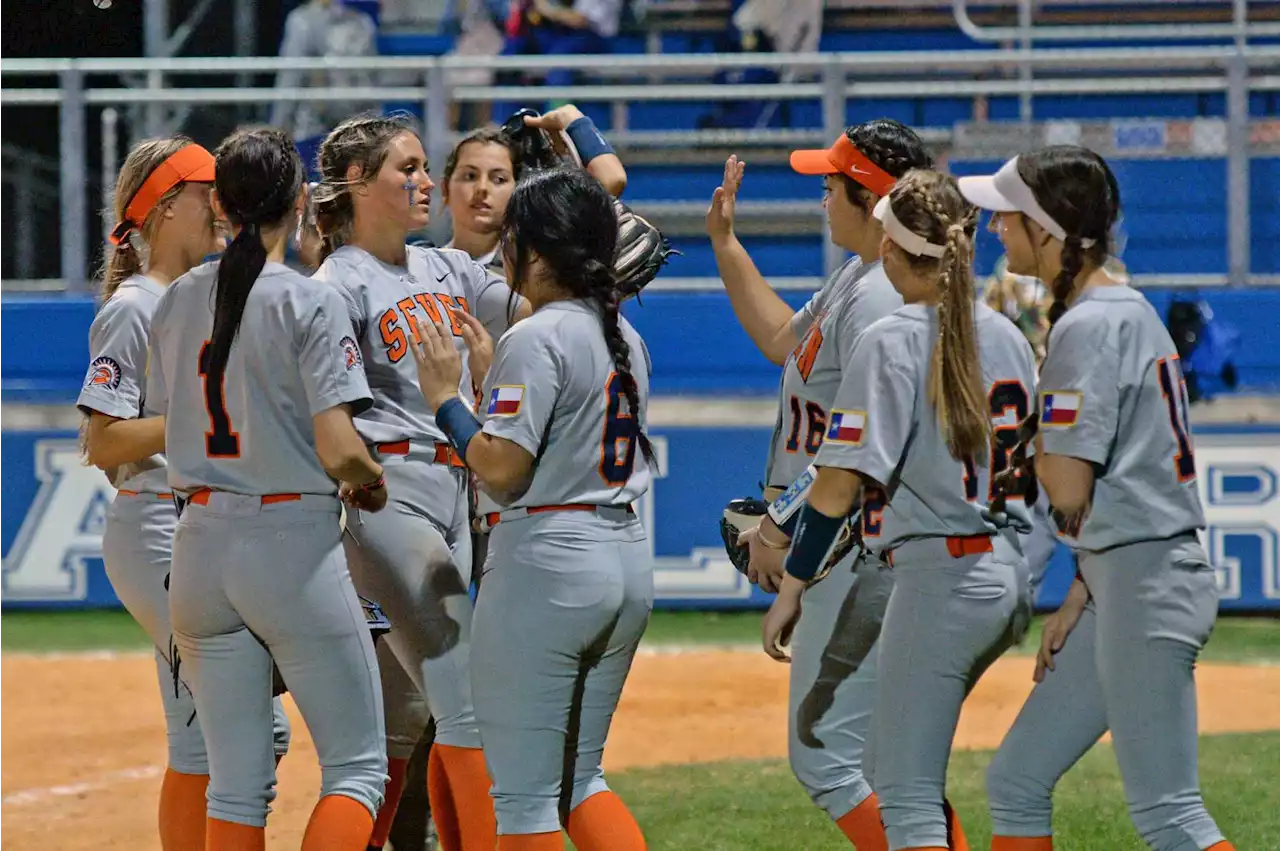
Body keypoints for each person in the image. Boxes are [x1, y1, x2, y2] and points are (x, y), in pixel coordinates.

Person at [707, 119, 973, 849]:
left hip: (856, 543)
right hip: (859, 540)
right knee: (893, 767)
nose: (823, 197)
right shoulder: (861, 275)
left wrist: (782, 531)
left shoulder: (883, 298)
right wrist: (728, 247)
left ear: (874, 199)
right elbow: (779, 342)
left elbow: (853, 449)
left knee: (825, 753)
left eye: (833, 185)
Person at [961, 147, 1236, 851]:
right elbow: (1120, 473)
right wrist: (1082, 591)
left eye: (1009, 216)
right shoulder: (1121, 308)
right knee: (1017, 778)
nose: (996, 229)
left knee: (1170, 816)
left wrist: (1015, 446)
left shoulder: (1086, 324)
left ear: (1049, 228)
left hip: (1146, 582)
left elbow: (1070, 485)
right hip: (1128, 577)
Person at [763, 169, 1038, 851]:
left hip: (939, 575)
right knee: (895, 764)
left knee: (903, 790)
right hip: (1004, 569)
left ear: (891, 246)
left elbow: (837, 483)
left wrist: (793, 584)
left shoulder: (890, 337)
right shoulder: (1002, 333)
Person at [145, 126, 388, 849]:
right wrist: (371, 481)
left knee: (236, 784)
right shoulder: (307, 300)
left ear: (219, 203)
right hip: (287, 542)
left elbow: (169, 417)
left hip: (197, 545)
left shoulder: (174, 299)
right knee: (356, 770)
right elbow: (342, 450)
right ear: (303, 200)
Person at [409, 165, 654, 851]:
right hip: (623, 556)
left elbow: (503, 467)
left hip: (548, 564)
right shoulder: (625, 337)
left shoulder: (537, 334)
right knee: (582, 780)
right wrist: (493, 385)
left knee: (523, 801)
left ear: (540, 253)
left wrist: (446, 399)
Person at [77, 135, 291, 851]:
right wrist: (199, 418)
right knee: (250, 723)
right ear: (166, 207)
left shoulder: (191, 294)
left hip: (193, 526)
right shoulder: (135, 307)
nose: (222, 206)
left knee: (202, 737)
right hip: (155, 528)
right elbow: (103, 442)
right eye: (208, 192)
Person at [310, 112, 505, 851]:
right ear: (358, 182)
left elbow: (530, 301)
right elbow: (334, 419)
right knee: (467, 699)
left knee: (406, 718)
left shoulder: (441, 267)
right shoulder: (335, 283)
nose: (427, 182)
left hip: (458, 490)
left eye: (426, 168)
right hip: (389, 495)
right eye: (409, 168)